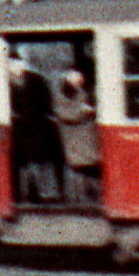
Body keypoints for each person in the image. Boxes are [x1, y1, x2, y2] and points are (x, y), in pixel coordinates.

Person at [7, 58, 60, 207]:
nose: (16, 68)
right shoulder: (3, 82)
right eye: (12, 65)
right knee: (20, 164)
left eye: (18, 64)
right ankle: (20, 195)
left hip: (37, 127)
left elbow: (47, 104)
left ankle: (41, 194)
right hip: (16, 129)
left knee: (38, 162)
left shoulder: (37, 80)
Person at [52, 68, 102, 208]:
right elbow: (66, 114)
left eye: (80, 78)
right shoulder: (61, 95)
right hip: (74, 138)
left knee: (88, 168)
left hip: (86, 137)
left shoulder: (82, 92)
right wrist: (84, 111)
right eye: (76, 78)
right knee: (79, 169)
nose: (79, 81)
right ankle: (79, 200)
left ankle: (90, 198)